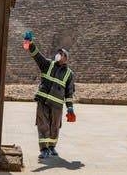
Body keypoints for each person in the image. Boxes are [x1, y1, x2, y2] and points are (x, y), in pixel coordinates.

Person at [22, 31, 76, 159]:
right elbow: (36, 55)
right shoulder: (47, 65)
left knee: (55, 126)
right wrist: (29, 43)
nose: (58, 55)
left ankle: (52, 147)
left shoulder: (69, 74)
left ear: (65, 58)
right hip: (43, 100)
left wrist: (70, 107)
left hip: (57, 105)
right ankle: (44, 149)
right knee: (42, 124)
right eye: (58, 53)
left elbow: (69, 92)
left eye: (61, 54)